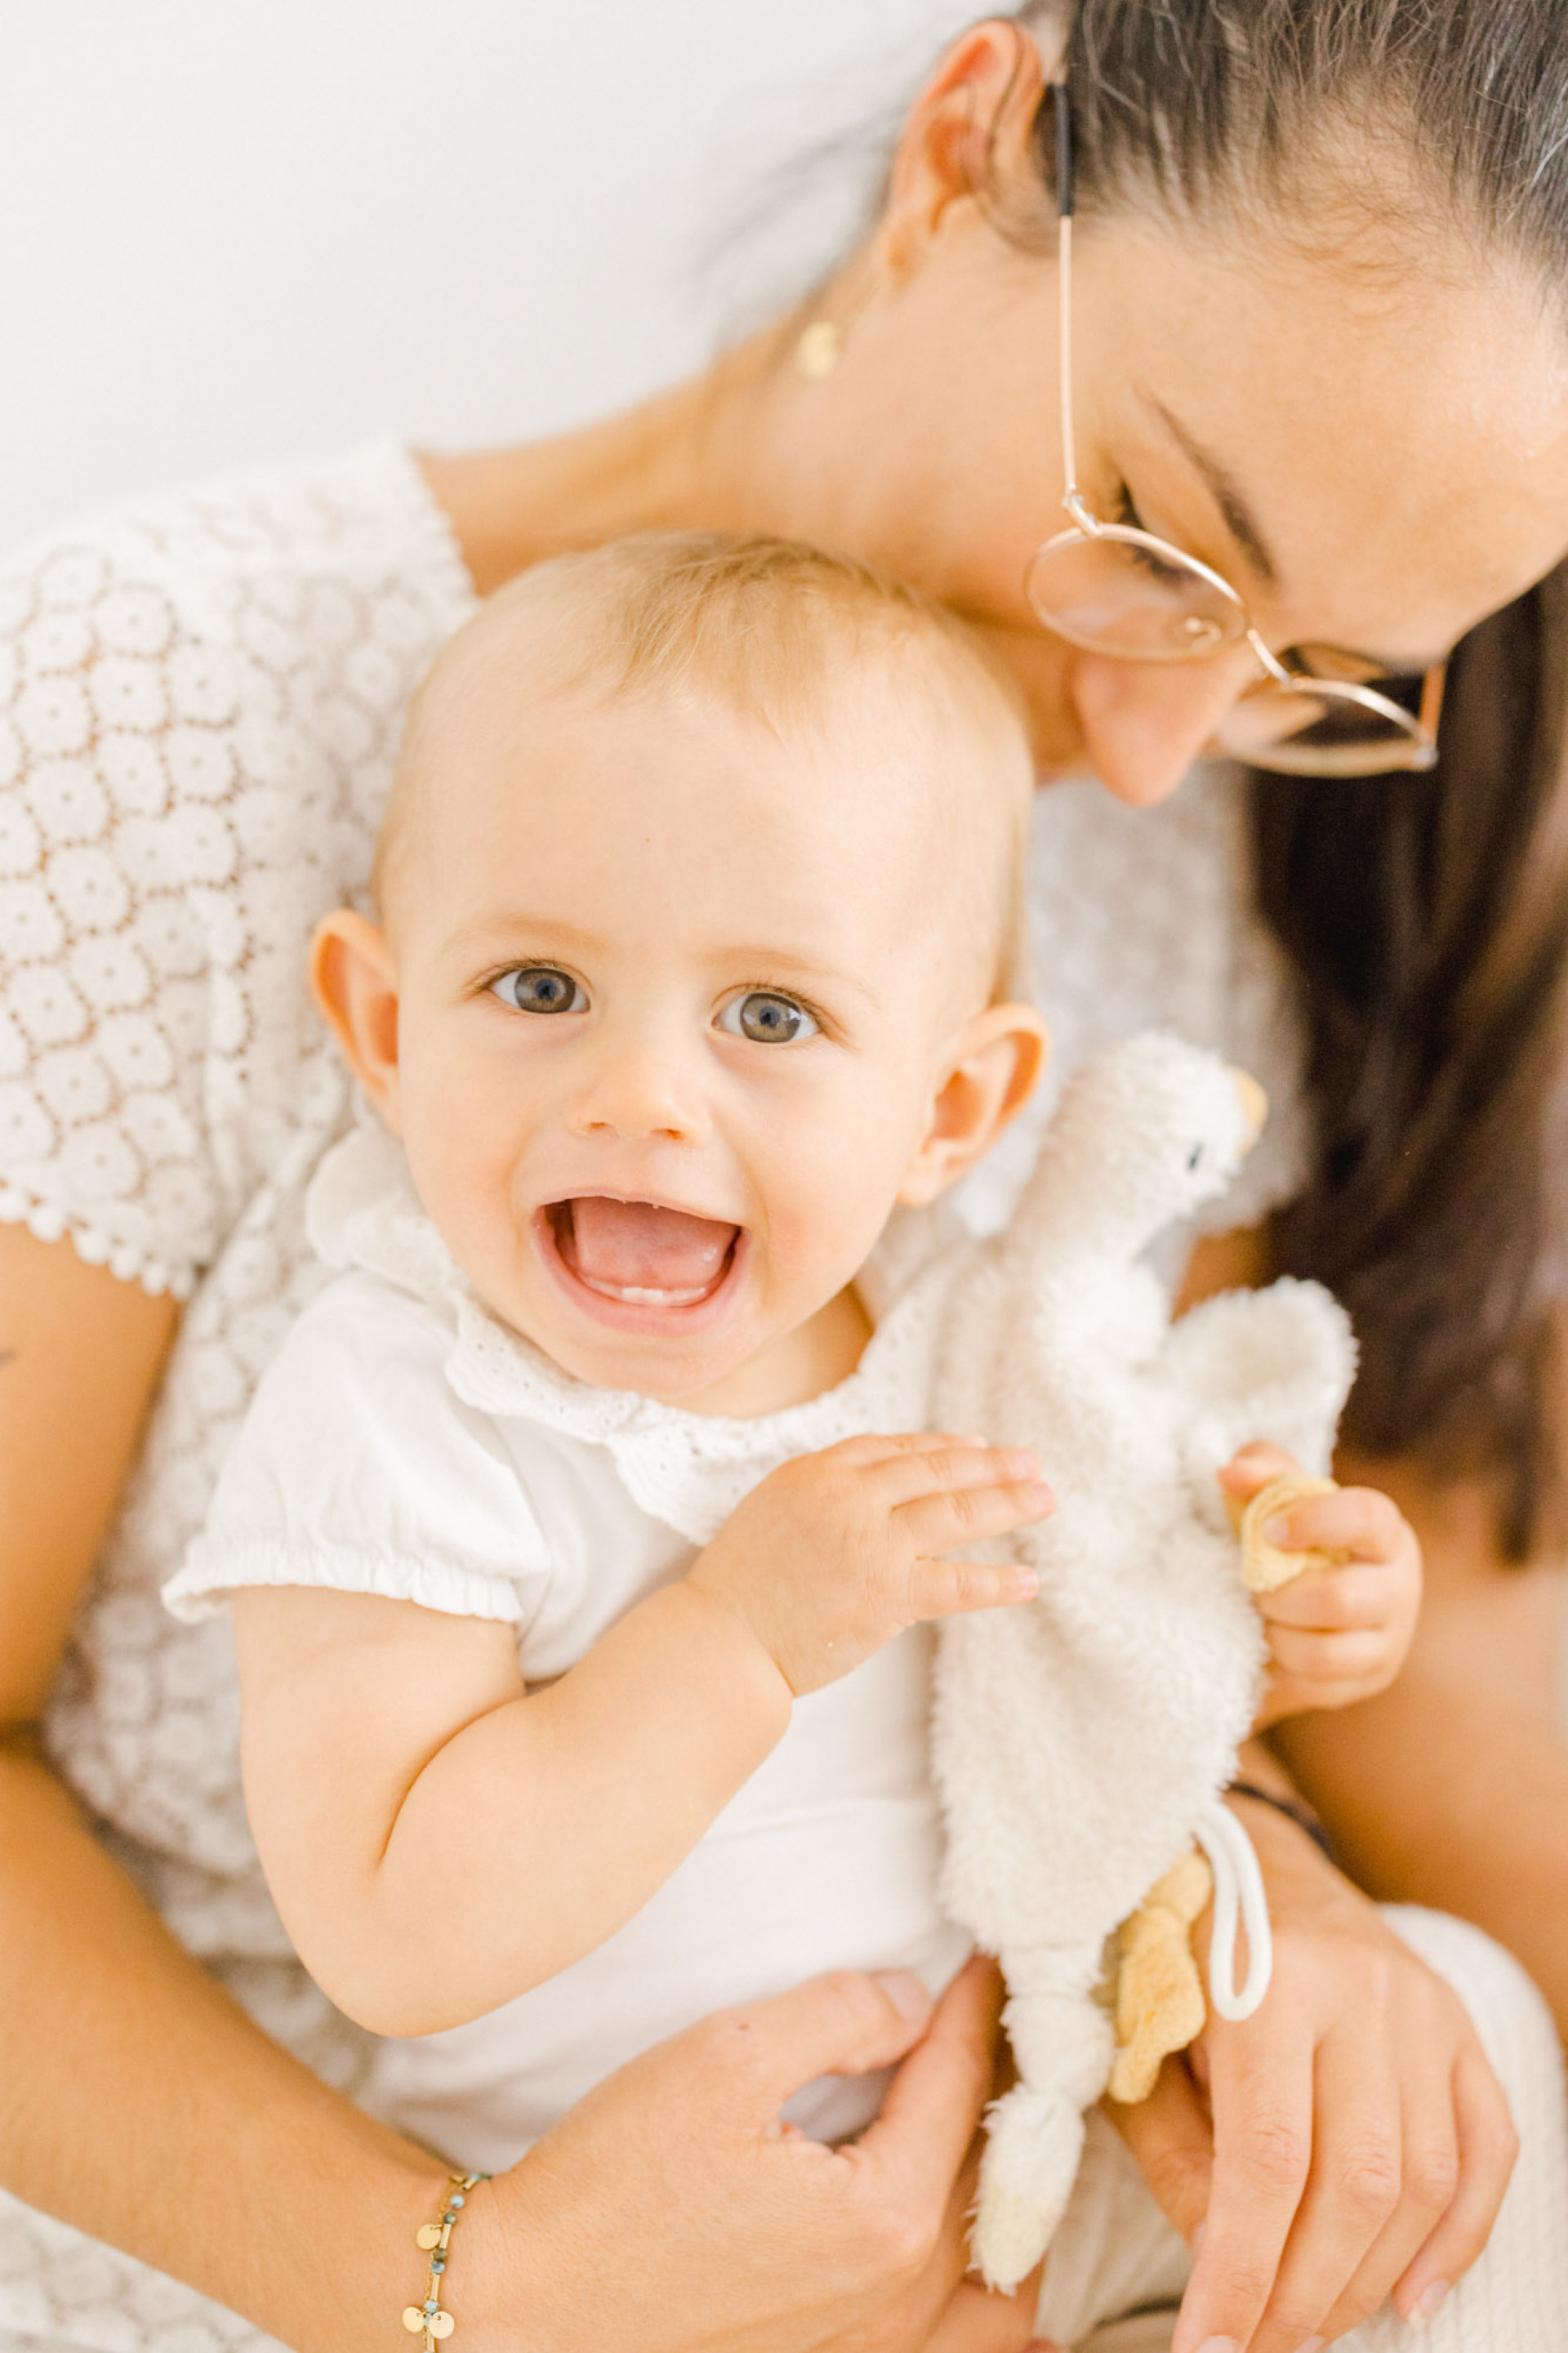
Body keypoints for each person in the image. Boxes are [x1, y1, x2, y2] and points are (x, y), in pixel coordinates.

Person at [6, 3, 1568, 2350]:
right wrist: (476, 2282)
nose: (1148, 747)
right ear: (970, 148)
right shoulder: (167, 705)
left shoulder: (1168, 868)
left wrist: (1267, 1893)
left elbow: (1099, 1578)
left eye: (1316, 670)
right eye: (1153, 530)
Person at [159, 533, 1459, 2353]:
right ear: (383, 1025)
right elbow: (391, 1926)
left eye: (770, 1016)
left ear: (947, 1109)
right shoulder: (404, 1400)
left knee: (1470, 2084)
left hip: (1020, 2180)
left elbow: (1111, 1658)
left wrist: (1295, 1613)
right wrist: (736, 1636)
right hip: (648, 2277)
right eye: (539, 988)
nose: (640, 1092)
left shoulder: (962, 1328)